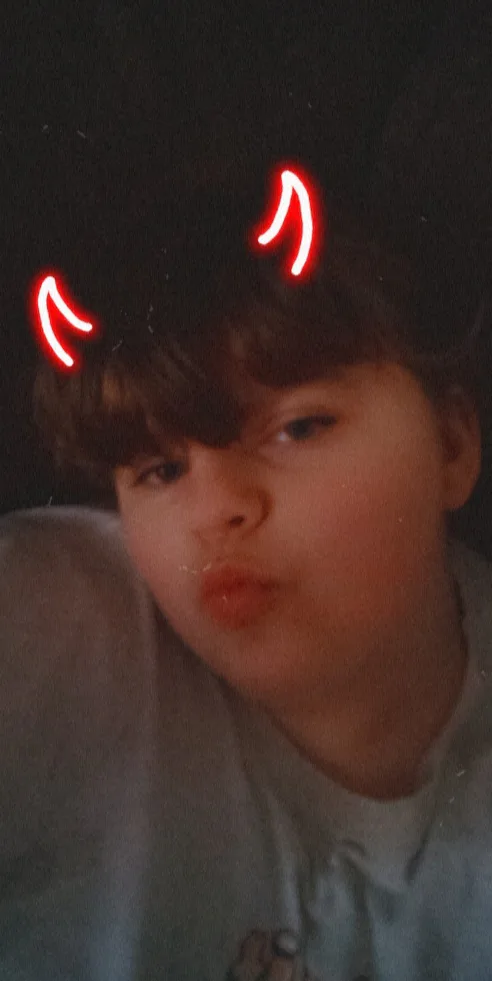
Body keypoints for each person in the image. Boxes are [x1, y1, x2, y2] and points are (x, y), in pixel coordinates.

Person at [2, 180, 492, 980]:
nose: (215, 509)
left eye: (298, 427)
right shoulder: (58, 624)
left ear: (453, 444)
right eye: (161, 470)